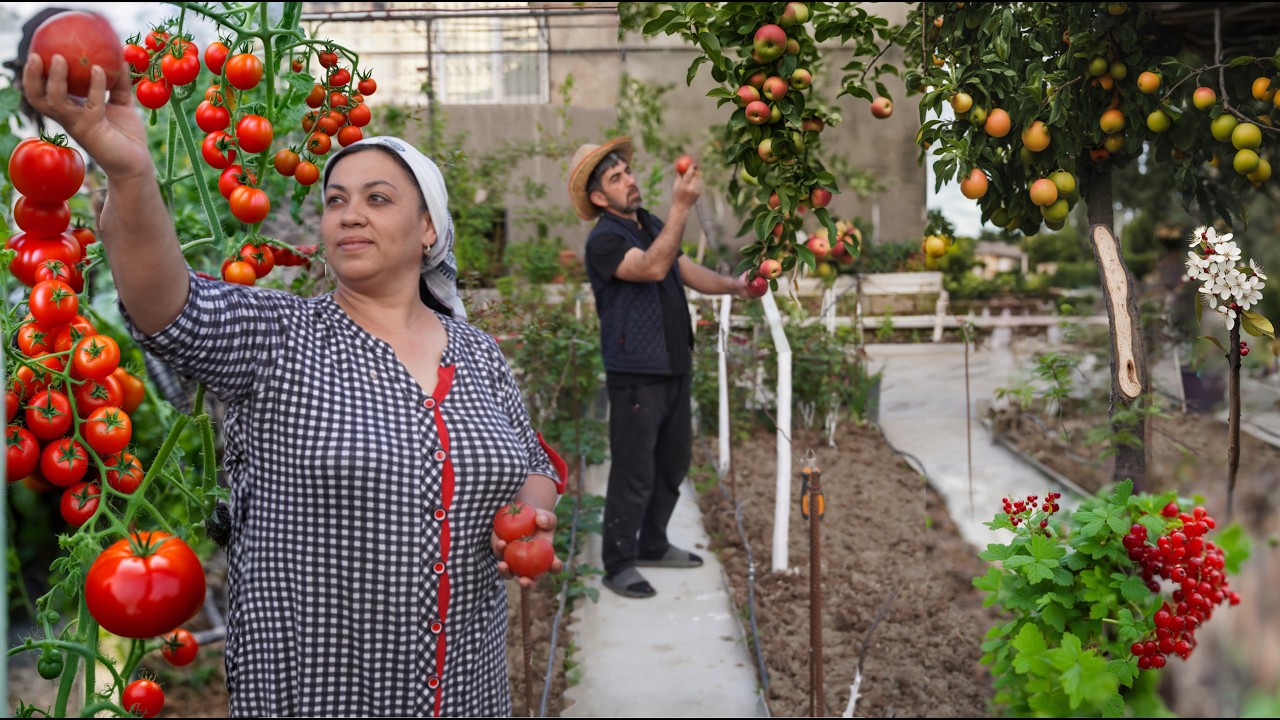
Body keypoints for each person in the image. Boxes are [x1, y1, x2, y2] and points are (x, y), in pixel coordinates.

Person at [24, 52, 566, 716]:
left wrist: (533, 519)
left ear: (429, 229)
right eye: (335, 201)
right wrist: (132, 172)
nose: (348, 214)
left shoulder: (477, 354)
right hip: (316, 691)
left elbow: (533, 461)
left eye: (378, 198)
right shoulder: (280, 337)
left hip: (462, 690)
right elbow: (171, 309)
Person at [568, 137, 750, 599]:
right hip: (636, 372)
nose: (630, 180)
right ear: (597, 197)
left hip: (673, 363)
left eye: (627, 171)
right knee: (634, 470)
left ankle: (652, 542)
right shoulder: (605, 241)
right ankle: (618, 562)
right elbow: (651, 267)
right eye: (616, 178)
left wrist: (735, 286)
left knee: (673, 462)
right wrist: (682, 209)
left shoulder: (648, 223)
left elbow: (681, 266)